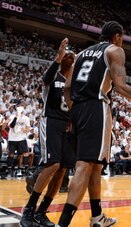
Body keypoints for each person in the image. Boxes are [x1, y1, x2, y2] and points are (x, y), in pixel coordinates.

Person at [57, 21, 131, 227]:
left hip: (77, 109)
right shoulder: (115, 50)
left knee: (95, 166)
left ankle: (97, 217)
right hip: (96, 107)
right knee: (85, 166)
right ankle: (63, 223)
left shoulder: (81, 54)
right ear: (117, 36)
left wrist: (71, 113)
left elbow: (67, 86)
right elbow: (120, 87)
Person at [20, 38, 76, 227]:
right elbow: (45, 80)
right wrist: (57, 59)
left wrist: (72, 121)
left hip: (66, 127)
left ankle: (42, 211)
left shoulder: (74, 85)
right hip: (51, 122)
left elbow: (73, 107)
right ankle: (28, 211)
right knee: (53, 164)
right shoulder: (55, 77)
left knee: (62, 169)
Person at [7, 105, 31, 178]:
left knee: (26, 154)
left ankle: (25, 169)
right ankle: (10, 170)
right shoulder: (12, 117)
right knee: (11, 154)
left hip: (21, 138)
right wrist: (16, 117)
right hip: (12, 138)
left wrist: (24, 130)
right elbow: (11, 126)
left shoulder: (26, 118)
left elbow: (28, 128)